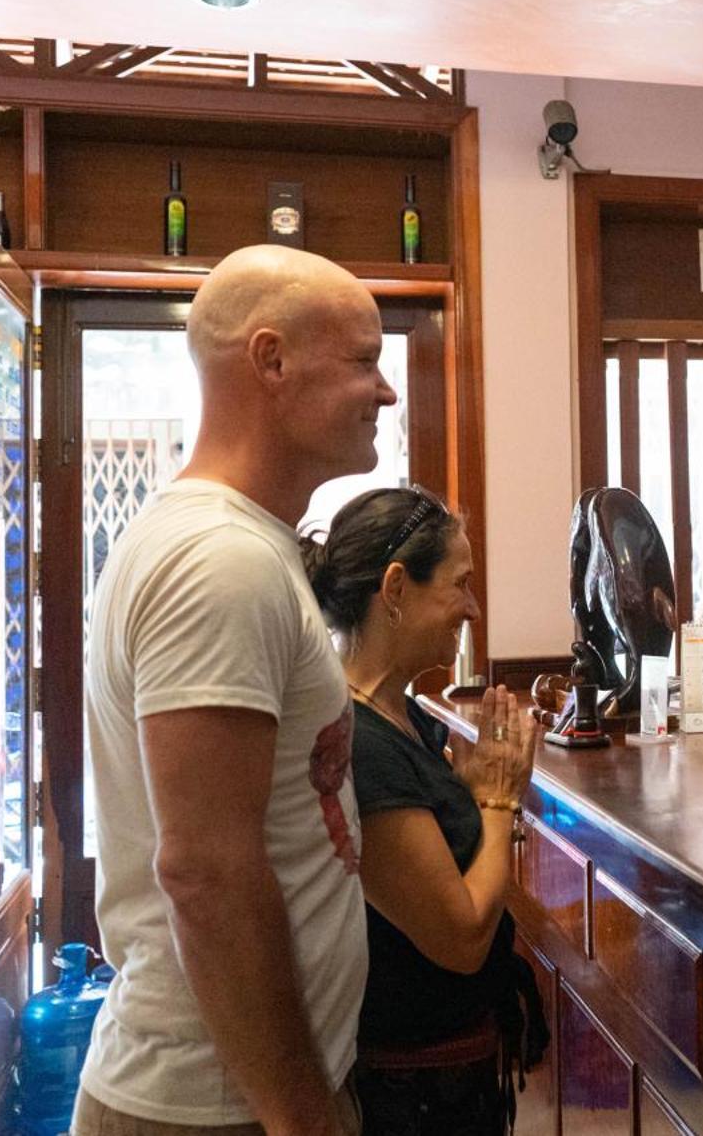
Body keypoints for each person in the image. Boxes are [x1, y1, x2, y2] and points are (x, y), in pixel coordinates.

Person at [78, 245, 397, 1135]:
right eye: (365, 360)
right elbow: (206, 873)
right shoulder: (219, 560)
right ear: (270, 360)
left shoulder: (246, 543)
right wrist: (303, 1115)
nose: (388, 390)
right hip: (218, 1102)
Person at [300, 486, 546, 1135]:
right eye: (460, 584)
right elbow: (460, 936)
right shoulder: (360, 743)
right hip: (413, 1098)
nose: (472, 606)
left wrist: (466, 790)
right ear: (397, 587)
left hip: (451, 1083)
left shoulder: (398, 713)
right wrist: (497, 802)